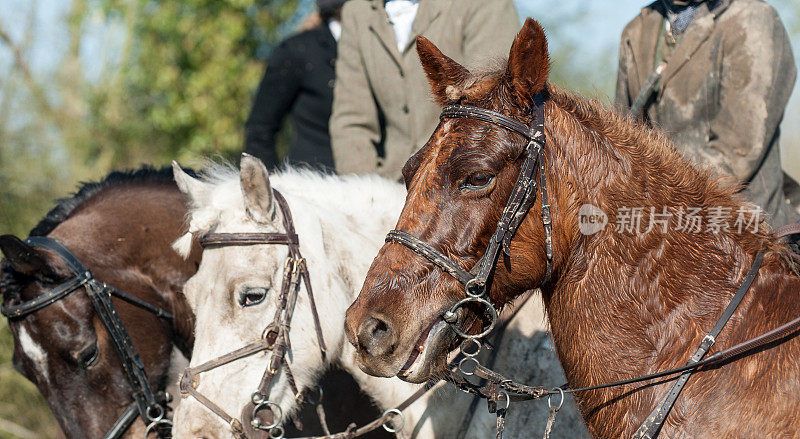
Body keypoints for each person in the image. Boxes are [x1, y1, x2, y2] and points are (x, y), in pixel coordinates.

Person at [615, 0, 798, 227]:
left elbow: (738, 151)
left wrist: (660, 200)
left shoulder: (753, 18)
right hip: (656, 231)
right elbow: (619, 145)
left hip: (745, 233)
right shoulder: (637, 30)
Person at [330, 0, 520, 179]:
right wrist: (368, 194)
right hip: (388, 186)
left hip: (463, 187)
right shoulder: (357, 11)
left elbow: (493, 109)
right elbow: (351, 121)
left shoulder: (484, 4)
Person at [244, 0, 348, 171]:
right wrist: (271, 187)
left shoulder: (383, 49)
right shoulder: (296, 50)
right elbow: (260, 128)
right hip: (313, 181)